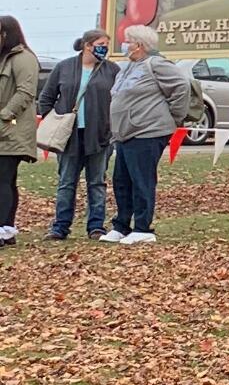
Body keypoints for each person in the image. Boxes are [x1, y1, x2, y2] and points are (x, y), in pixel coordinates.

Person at [104, 25, 198, 244]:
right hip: (125, 133)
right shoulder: (129, 66)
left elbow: (181, 87)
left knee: (141, 180)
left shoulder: (157, 64)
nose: (124, 44)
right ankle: (121, 225)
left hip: (147, 132)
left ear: (139, 45)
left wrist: (174, 117)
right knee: (121, 180)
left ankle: (143, 227)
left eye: (128, 40)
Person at [40, 30, 118, 241]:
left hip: (99, 135)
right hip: (69, 136)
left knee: (97, 182)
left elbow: (119, 100)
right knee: (66, 182)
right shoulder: (64, 68)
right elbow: (46, 98)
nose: (105, 48)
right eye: (101, 44)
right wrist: (55, 121)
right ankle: (60, 226)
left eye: (107, 45)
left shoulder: (111, 70)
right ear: (87, 45)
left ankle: (96, 226)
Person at [0, 16, 40, 245]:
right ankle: (7, 228)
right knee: (6, 180)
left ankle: (3, 227)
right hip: (5, 129)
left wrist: (5, 115)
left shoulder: (23, 58)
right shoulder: (4, 59)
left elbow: (25, 92)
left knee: (3, 179)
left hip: (11, 129)